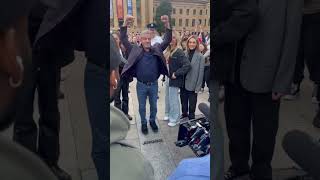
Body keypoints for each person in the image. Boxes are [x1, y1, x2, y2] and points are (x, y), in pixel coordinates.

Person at [219, 0, 303, 179]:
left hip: (267, 74)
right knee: (235, 125)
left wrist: (282, 81)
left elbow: (292, 35)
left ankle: (261, 171)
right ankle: (239, 166)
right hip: (234, 69)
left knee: (264, 132)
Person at [0, 0, 58, 179]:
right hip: (25, 51)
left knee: (49, 111)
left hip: (48, 53)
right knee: (24, 114)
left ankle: (49, 164)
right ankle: (27, 162)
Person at [109, 35, 154, 180]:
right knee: (123, 100)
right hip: (131, 81)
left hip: (130, 80)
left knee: (126, 98)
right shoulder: (136, 164)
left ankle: (128, 113)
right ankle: (142, 123)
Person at [121, 15, 171, 134]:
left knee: (154, 106)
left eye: (149, 38)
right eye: (145, 39)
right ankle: (143, 123)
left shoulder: (157, 48)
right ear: (141, 40)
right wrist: (125, 23)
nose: (147, 41)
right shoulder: (135, 49)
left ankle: (152, 121)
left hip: (154, 84)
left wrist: (167, 24)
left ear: (151, 38)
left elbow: (167, 40)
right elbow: (123, 39)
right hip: (141, 85)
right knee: (142, 107)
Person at [163, 31, 191, 127]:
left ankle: (175, 119)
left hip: (175, 79)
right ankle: (167, 113)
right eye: (170, 38)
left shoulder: (178, 51)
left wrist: (176, 73)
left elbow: (187, 65)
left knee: (173, 99)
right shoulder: (167, 50)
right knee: (168, 98)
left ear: (177, 39)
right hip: (167, 78)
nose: (171, 40)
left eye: (174, 38)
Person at [180, 36, 205, 120]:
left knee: (192, 104)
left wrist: (198, 87)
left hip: (193, 84)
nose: (192, 44)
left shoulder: (200, 56)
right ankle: (184, 114)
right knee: (183, 102)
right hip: (183, 83)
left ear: (196, 44)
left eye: (194, 42)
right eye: (190, 42)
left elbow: (201, 73)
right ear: (187, 43)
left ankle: (191, 117)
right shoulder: (184, 53)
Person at [112, 32, 133, 120]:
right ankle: (118, 117)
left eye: (116, 39)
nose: (114, 40)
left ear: (119, 40)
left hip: (125, 77)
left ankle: (125, 113)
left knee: (125, 96)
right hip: (116, 77)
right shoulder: (110, 50)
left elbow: (129, 60)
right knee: (117, 98)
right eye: (113, 39)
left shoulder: (123, 49)